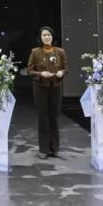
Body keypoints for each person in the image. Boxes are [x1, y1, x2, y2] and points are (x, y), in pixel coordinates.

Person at [27, 26, 68, 159]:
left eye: (49, 35)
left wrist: (62, 72)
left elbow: (66, 68)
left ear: (52, 37)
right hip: (40, 87)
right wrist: (40, 74)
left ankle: (55, 148)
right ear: (40, 38)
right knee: (43, 117)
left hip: (56, 87)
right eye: (44, 35)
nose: (46, 37)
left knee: (54, 116)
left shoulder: (60, 51)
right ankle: (44, 149)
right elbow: (29, 70)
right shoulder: (35, 52)